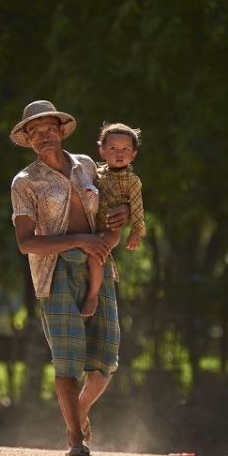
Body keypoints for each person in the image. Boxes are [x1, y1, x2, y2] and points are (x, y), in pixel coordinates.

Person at [10, 100, 130, 456]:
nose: (44, 136)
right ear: (28, 140)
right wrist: (79, 239)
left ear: (61, 131)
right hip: (56, 271)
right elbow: (26, 243)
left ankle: (78, 411)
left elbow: (112, 205)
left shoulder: (88, 166)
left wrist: (122, 214)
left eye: (49, 129)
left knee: (107, 358)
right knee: (66, 357)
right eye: (35, 133)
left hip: (99, 263)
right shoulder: (25, 182)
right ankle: (76, 439)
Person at [82, 122, 146, 318]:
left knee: (96, 252)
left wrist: (136, 232)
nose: (120, 153)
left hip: (110, 229)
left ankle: (93, 295)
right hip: (91, 225)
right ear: (102, 152)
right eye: (113, 148)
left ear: (134, 154)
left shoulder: (132, 181)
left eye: (126, 149)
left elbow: (137, 208)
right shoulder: (95, 173)